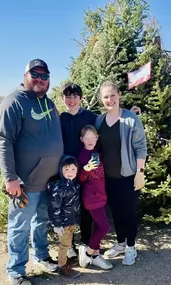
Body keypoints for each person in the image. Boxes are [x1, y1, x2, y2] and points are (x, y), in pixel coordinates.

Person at [0, 59, 63, 285]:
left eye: (44, 76)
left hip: (49, 180)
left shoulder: (50, 103)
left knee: (41, 221)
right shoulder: (14, 102)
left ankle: (41, 256)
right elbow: (4, 141)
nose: (40, 79)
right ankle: (16, 271)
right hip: (25, 183)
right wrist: (10, 177)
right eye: (35, 74)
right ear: (25, 75)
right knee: (19, 226)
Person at [95, 81, 147, 266]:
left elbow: (141, 147)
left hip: (128, 177)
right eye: (106, 97)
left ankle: (131, 248)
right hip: (108, 178)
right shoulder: (99, 121)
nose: (110, 100)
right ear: (102, 100)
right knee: (116, 212)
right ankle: (120, 244)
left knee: (128, 213)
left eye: (112, 95)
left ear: (119, 95)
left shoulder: (131, 119)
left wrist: (140, 172)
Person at [60, 83, 97, 261]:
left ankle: (86, 242)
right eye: (68, 96)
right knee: (68, 207)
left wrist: (131, 112)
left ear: (81, 98)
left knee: (87, 207)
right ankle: (69, 245)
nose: (72, 100)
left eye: (75, 96)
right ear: (63, 99)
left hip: (87, 168)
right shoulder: (60, 118)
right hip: (68, 170)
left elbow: (108, 122)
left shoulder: (90, 116)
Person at [77, 125, 113, 270]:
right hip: (91, 198)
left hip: (101, 196)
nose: (90, 140)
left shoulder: (98, 153)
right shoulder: (82, 155)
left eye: (93, 137)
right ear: (82, 139)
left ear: (97, 138)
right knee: (104, 226)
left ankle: (94, 255)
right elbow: (79, 178)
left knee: (98, 226)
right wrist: (85, 169)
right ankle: (88, 251)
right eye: (87, 138)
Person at [47, 156, 81, 278]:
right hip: (63, 223)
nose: (70, 172)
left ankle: (65, 261)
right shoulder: (58, 188)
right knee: (64, 245)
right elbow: (54, 208)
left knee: (67, 243)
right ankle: (62, 267)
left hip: (71, 221)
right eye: (66, 169)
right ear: (61, 170)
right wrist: (56, 224)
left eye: (73, 169)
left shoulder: (75, 185)